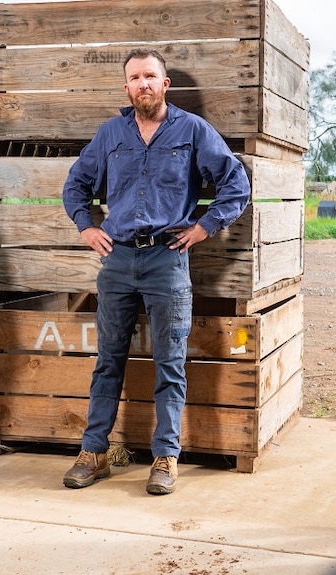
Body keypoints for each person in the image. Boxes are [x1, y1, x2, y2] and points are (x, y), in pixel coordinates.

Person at [61, 48, 250, 495]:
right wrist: (88, 228)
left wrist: (204, 227)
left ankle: (165, 457)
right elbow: (76, 185)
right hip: (118, 260)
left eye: (151, 76)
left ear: (166, 84)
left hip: (167, 260)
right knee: (108, 361)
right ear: (125, 87)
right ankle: (94, 453)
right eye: (135, 77)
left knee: (169, 363)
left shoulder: (192, 131)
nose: (143, 83)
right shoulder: (111, 134)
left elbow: (235, 184)